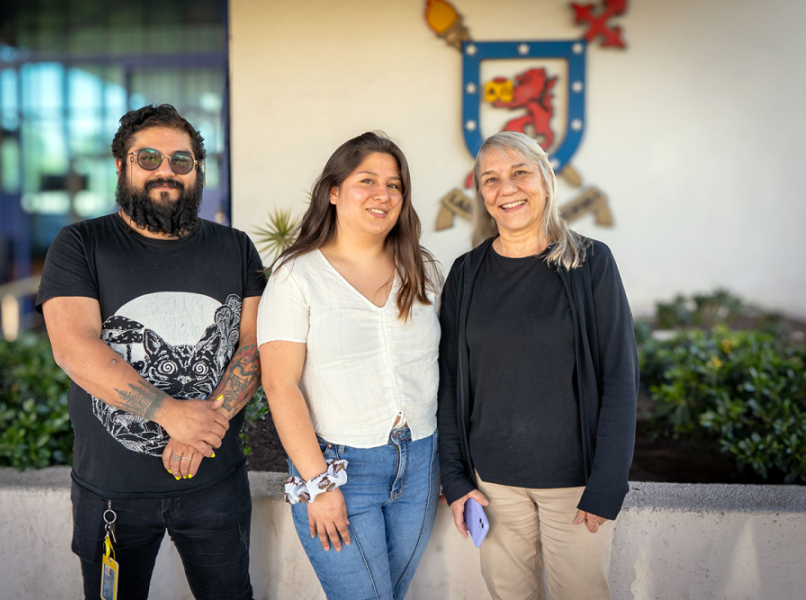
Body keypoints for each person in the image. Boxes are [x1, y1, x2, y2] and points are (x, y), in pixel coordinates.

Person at [38, 104, 264, 600]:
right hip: (112, 494)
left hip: (215, 484)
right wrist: (168, 412)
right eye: (150, 158)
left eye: (181, 161)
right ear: (122, 166)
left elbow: (253, 346)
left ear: (197, 171)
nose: (167, 170)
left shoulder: (236, 248)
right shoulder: (81, 244)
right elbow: (74, 347)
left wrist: (199, 427)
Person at [438, 131, 639, 600]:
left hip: (576, 486)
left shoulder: (591, 264)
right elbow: (448, 383)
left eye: (519, 173)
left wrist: (608, 482)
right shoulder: (465, 274)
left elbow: (620, 378)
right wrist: (456, 477)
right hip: (493, 486)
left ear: (546, 180)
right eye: (491, 179)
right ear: (482, 194)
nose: (506, 188)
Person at [257, 132, 442, 600]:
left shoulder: (420, 271)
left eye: (395, 185)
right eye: (368, 181)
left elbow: (441, 369)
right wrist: (318, 485)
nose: (384, 194)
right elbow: (280, 385)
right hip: (340, 468)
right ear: (334, 192)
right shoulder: (297, 275)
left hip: (420, 462)